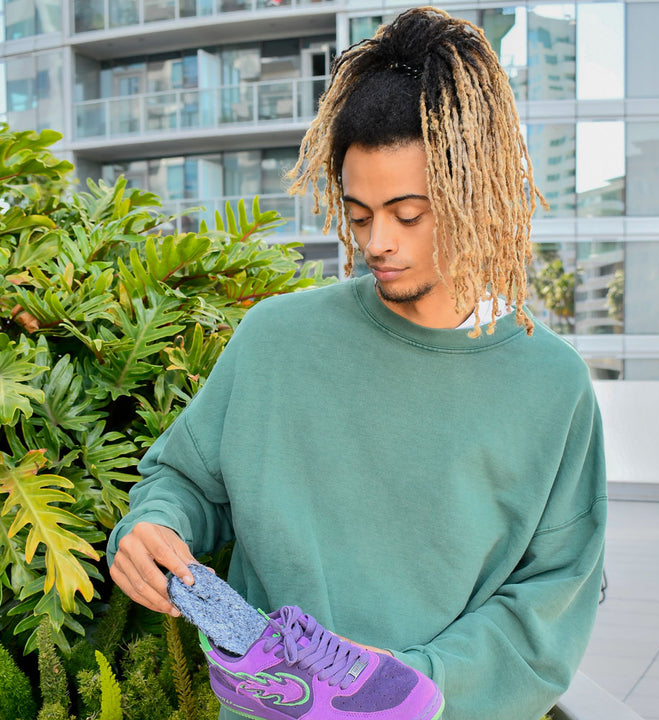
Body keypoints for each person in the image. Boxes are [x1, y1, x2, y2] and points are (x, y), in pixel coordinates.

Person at [108, 7, 607, 720]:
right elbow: (185, 481)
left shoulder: (552, 388)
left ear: (476, 193)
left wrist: (406, 690)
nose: (377, 242)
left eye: (409, 214)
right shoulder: (276, 340)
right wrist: (151, 526)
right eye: (359, 212)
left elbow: (548, 605)